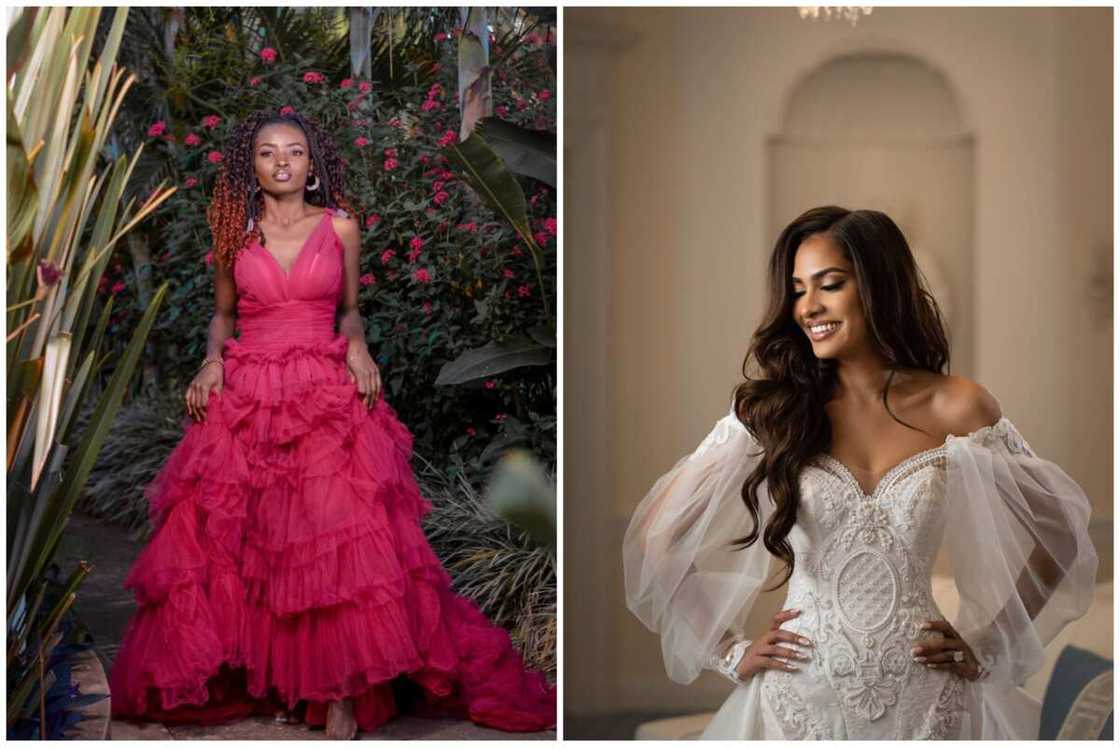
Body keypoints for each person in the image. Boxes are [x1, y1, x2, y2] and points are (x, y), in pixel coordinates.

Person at [109, 110, 555, 739]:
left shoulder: (341, 226)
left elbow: (348, 312)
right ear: (252, 164)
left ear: (312, 163)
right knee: (258, 545)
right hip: (250, 395)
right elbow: (221, 317)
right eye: (268, 152)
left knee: (332, 541)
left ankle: (340, 695)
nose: (283, 162)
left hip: (323, 393)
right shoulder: (235, 231)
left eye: (295, 151)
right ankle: (277, 681)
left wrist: (360, 350)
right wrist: (211, 364)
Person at [623, 206, 1098, 739]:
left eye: (829, 284)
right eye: (798, 289)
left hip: (929, 698)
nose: (808, 307)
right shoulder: (774, 411)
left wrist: (990, 643)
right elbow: (657, 539)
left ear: (877, 286)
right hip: (798, 701)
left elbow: (1060, 532)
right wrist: (731, 650)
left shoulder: (958, 407)